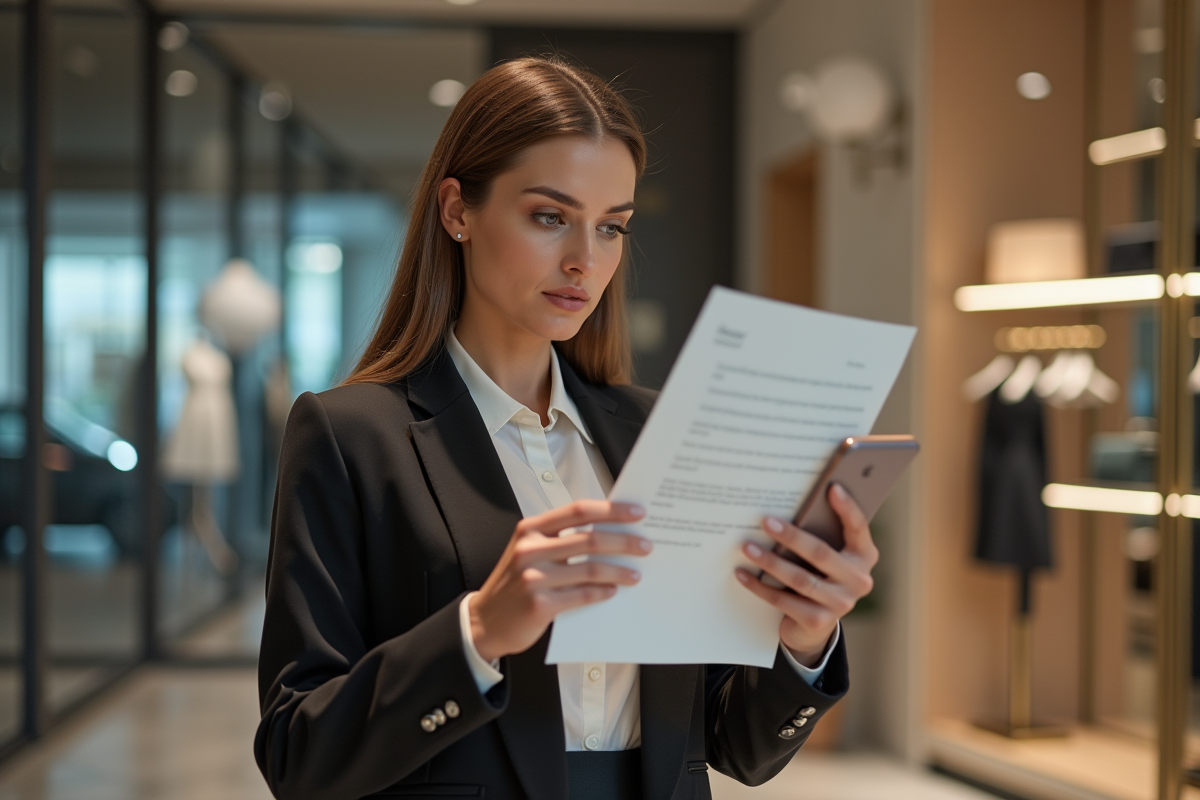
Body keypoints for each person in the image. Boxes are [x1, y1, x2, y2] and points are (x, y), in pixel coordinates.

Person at [254, 55, 878, 800]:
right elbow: (297, 754)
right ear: (457, 211)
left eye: (611, 227)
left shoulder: (660, 432)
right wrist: (478, 632)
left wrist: (805, 637)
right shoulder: (351, 436)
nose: (585, 260)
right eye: (550, 217)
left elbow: (736, 746)